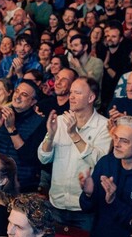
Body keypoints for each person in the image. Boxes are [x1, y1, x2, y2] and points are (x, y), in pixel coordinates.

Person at [37, 76, 108, 228]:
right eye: (71, 92)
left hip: (84, 208)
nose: (71, 97)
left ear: (91, 98)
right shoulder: (60, 121)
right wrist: (50, 136)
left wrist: (74, 135)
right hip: (57, 203)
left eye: (77, 93)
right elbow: (43, 158)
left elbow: (100, 162)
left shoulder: (104, 126)